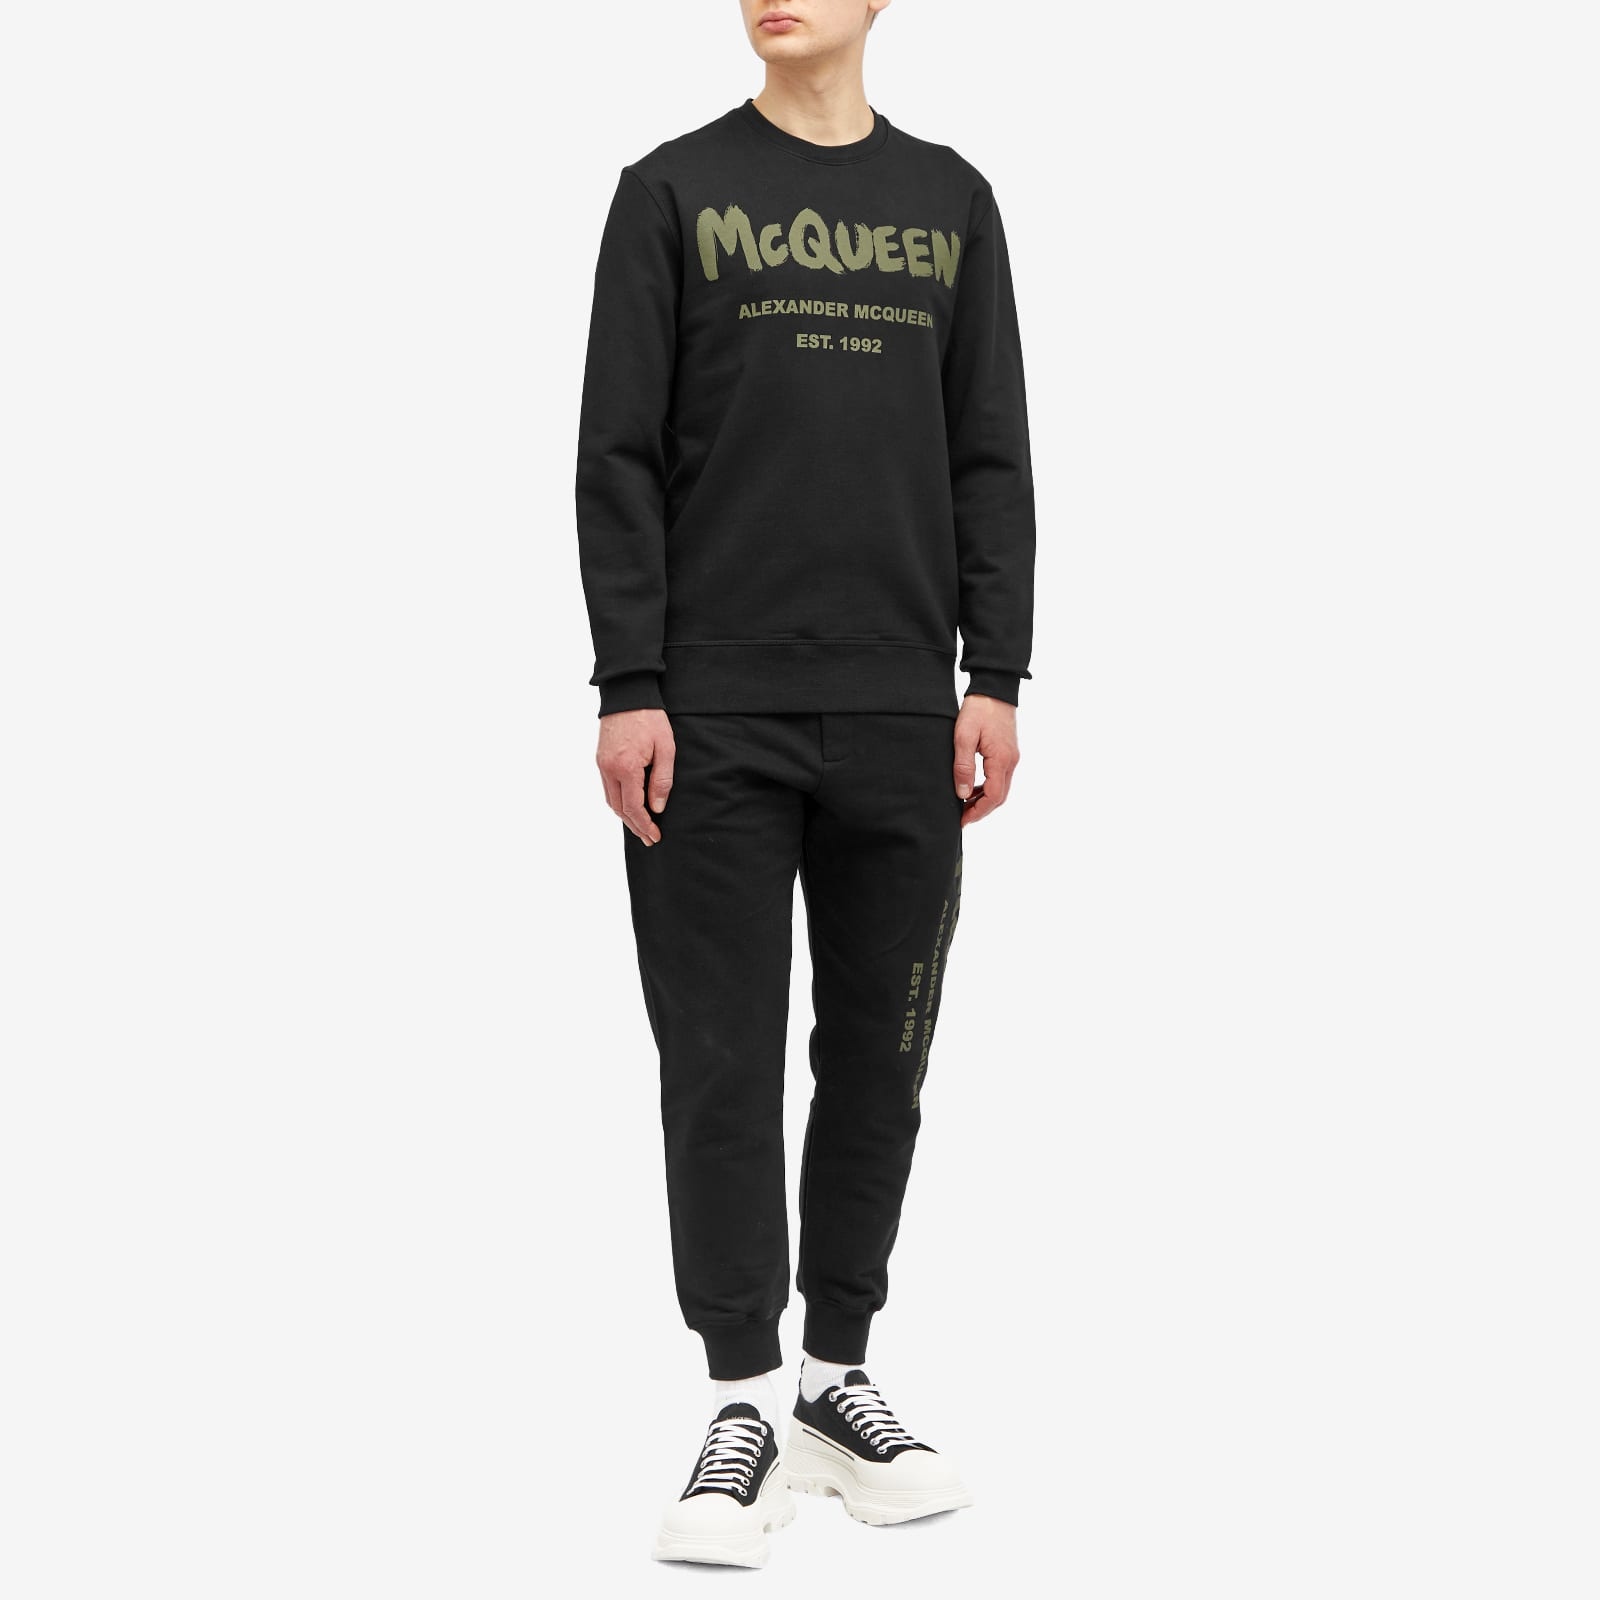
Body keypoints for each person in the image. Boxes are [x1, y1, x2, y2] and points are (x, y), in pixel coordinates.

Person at [574, 0, 1036, 1568]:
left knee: (880, 1062)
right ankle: (740, 1404)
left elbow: (989, 451)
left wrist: (995, 673)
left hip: (903, 712)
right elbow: (617, 455)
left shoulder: (951, 202)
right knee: (717, 1065)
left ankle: (837, 1379)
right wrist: (630, 683)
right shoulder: (670, 192)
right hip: (709, 714)